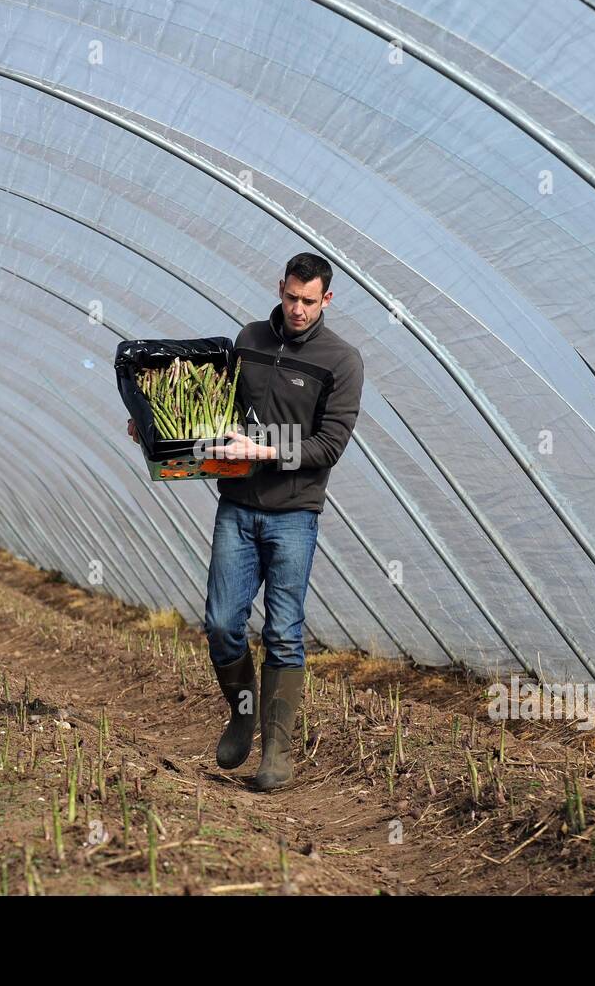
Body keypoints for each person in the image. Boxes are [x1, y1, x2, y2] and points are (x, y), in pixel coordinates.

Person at [133, 252, 364, 790]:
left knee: (283, 632)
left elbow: (329, 446)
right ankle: (242, 712)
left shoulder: (342, 360)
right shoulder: (250, 340)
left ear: (327, 300)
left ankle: (275, 754)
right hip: (237, 508)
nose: (299, 309)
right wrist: (153, 426)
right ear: (280, 288)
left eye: (310, 301)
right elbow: (219, 416)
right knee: (220, 624)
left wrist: (260, 448)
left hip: (293, 514)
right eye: (292, 298)